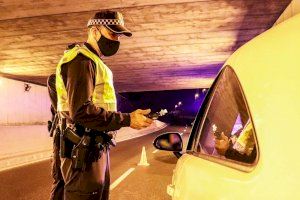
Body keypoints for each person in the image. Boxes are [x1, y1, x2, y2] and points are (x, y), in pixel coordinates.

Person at [53, 10, 153, 200]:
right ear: (94, 30)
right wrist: (127, 119)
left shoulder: (94, 62)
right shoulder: (82, 61)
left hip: (93, 147)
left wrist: (126, 117)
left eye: (118, 36)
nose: (116, 40)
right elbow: (81, 111)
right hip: (82, 151)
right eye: (112, 33)